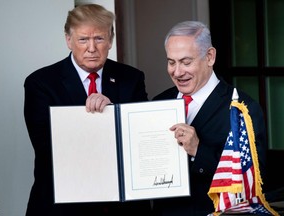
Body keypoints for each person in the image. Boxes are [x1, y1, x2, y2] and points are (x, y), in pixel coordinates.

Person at [24, 4, 151, 216]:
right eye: (83, 39)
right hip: (63, 206)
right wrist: (104, 122)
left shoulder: (132, 78)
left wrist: (113, 111)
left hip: (123, 206)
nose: (91, 48)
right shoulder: (41, 83)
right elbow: (47, 147)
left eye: (99, 39)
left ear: (110, 40)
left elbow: (143, 138)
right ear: (68, 40)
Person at [151, 21, 268, 215]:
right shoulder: (159, 101)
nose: (177, 72)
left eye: (186, 62)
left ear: (210, 57)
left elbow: (254, 181)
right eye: (171, 62)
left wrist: (198, 150)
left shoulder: (242, 108)